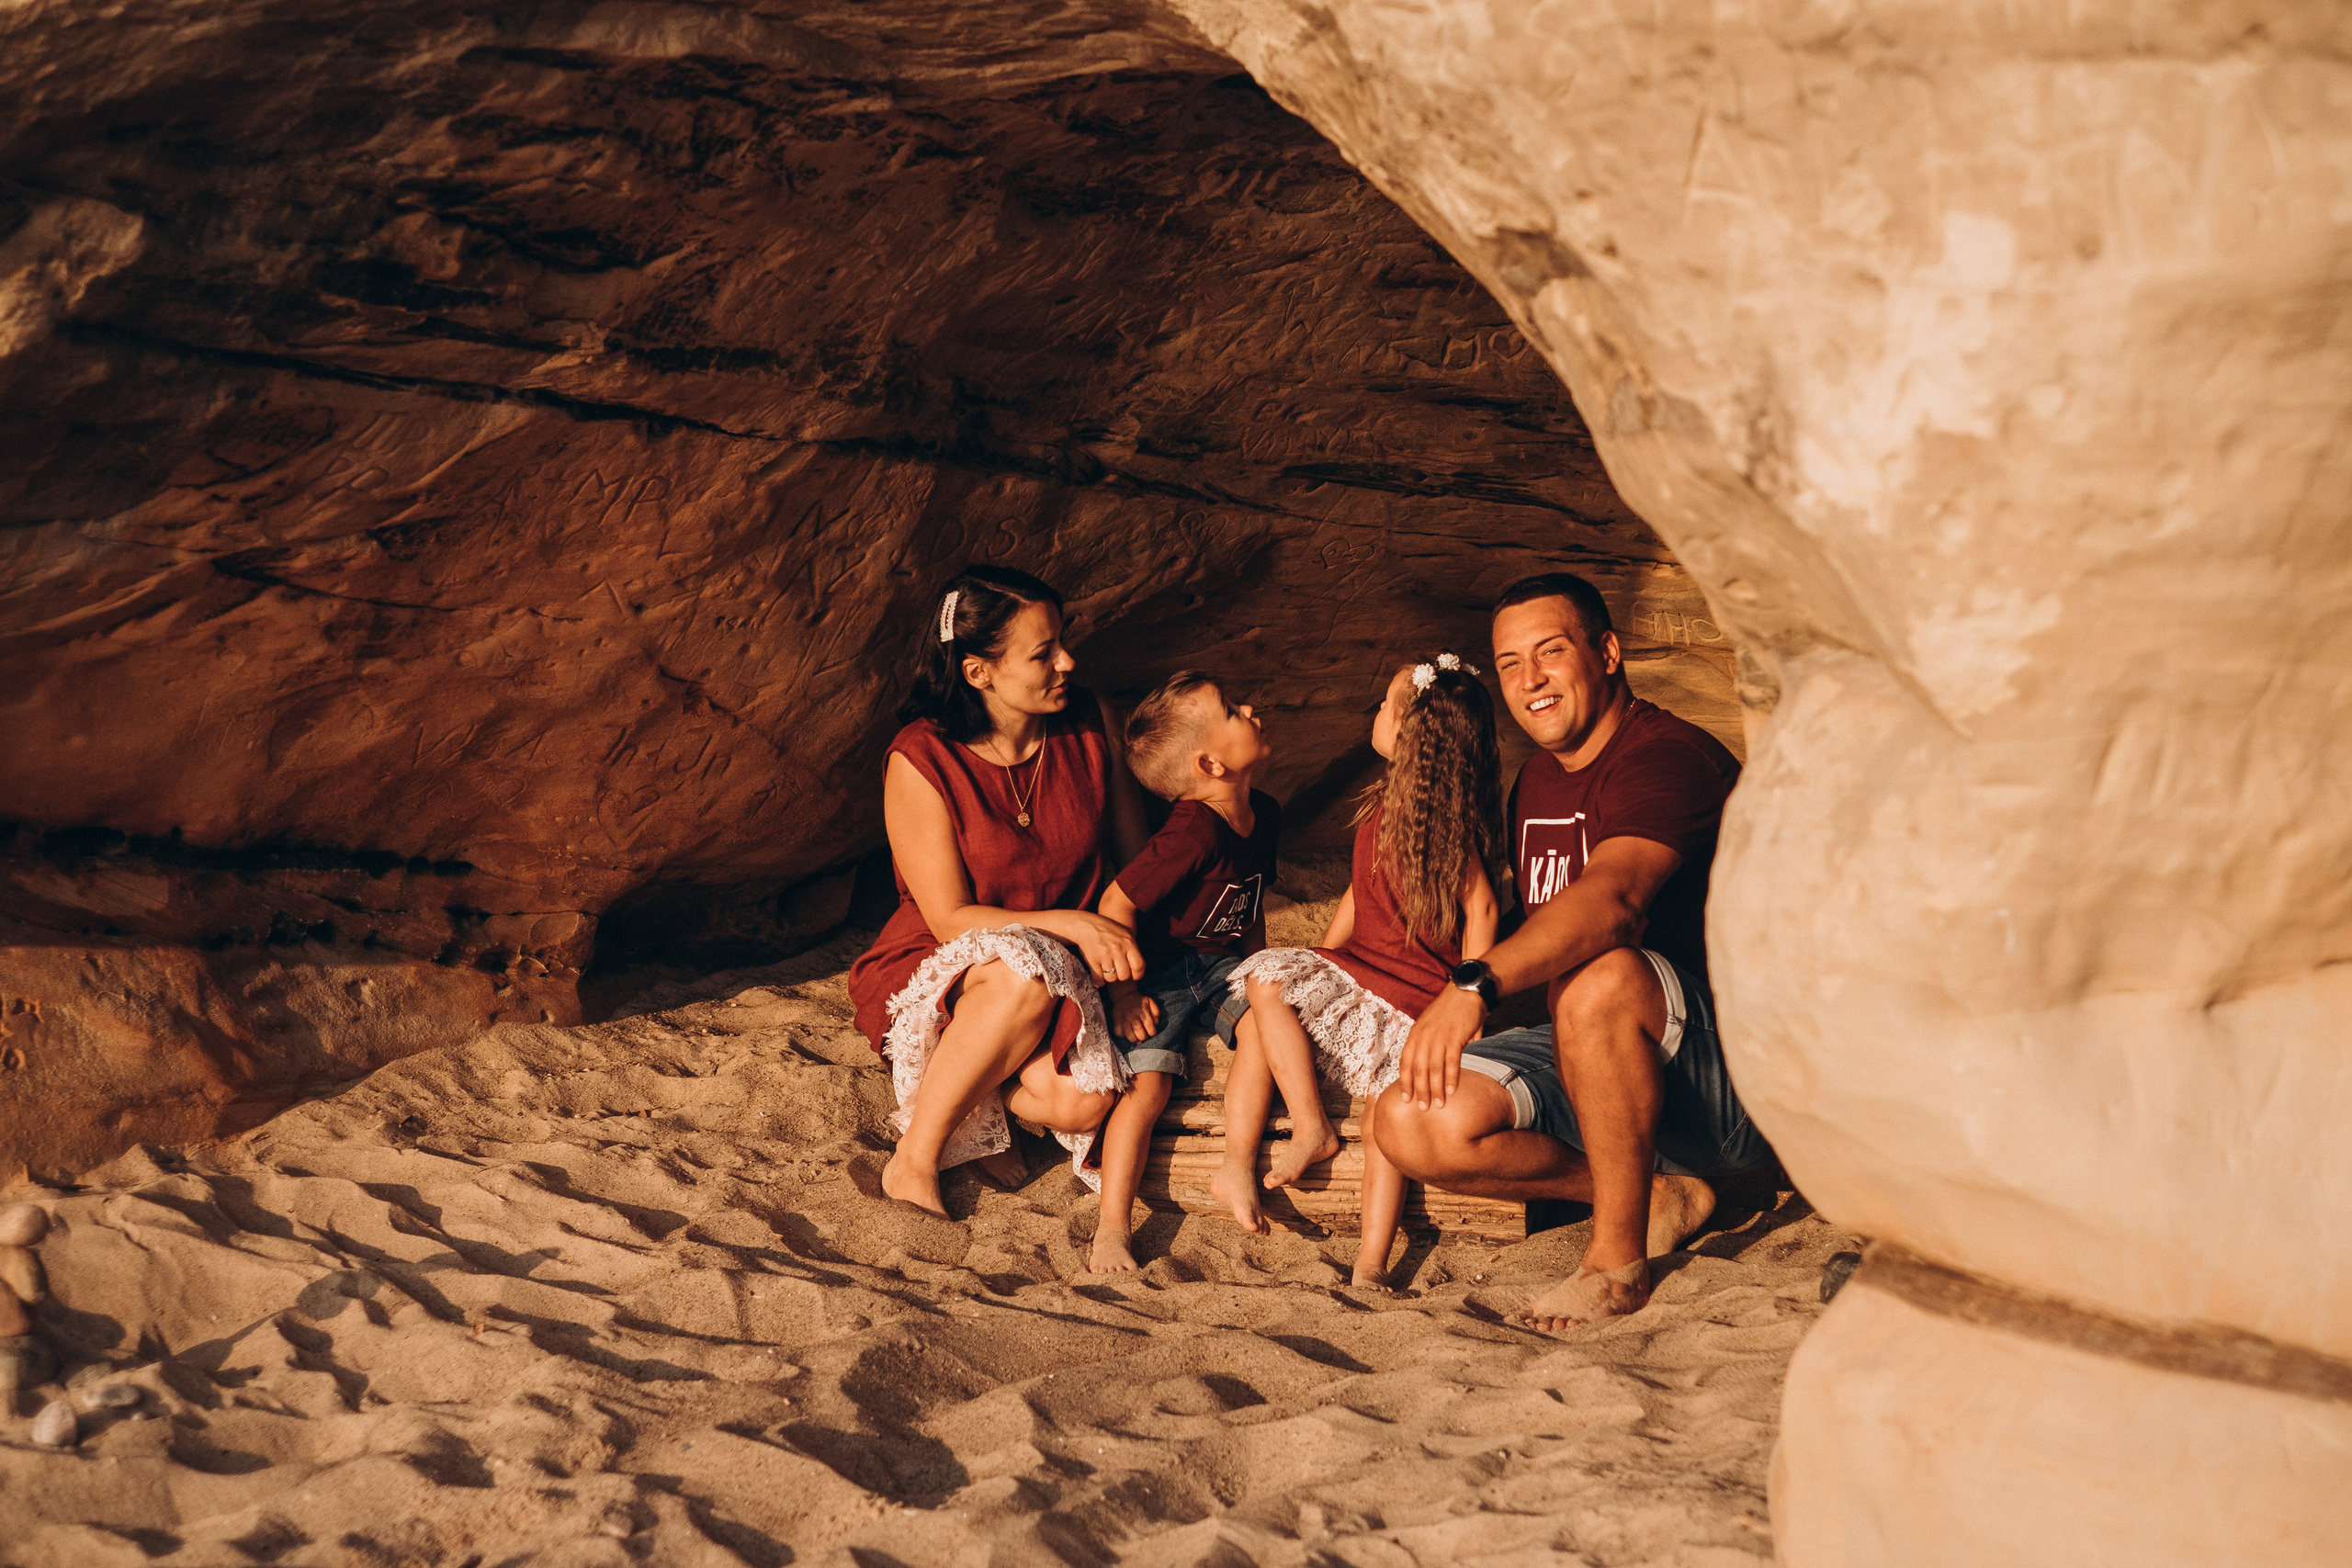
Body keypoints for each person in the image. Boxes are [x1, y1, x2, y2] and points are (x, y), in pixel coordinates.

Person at [1375, 572, 1770, 1329]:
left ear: (1609, 652)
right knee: (1410, 1117)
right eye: (1511, 663)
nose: (1531, 679)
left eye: (1551, 652)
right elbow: (1532, 923)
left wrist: (1473, 985)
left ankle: (1616, 1263)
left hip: (1729, 1079)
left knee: (1601, 974)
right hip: (1597, 1056)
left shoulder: (1669, 756)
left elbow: (1613, 903)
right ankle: (1658, 1194)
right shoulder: (1535, 782)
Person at [846, 565, 1150, 1218]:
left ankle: (974, 1089)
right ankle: (915, 1159)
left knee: (1083, 1103)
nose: (1067, 662)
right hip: (951, 959)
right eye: (1043, 653)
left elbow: (1136, 864)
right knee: (1022, 978)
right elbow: (949, 917)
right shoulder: (920, 759)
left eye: (1062, 641)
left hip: (1070, 966)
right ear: (978, 672)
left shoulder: (1091, 721)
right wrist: (1075, 923)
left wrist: (1127, 969)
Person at [1213, 654, 1502, 1291]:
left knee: (1380, 1124)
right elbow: (1357, 892)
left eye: (1384, 705)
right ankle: (1273, 1142)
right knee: (1268, 987)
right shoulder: (1382, 803)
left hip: (1417, 995)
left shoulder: (1445, 823)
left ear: (1409, 732)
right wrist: (1323, 960)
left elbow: (1483, 908)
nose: (1374, 713)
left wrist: (1471, 1004)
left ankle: (1370, 1263)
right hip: (1363, 969)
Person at [1087, 672, 1281, 1274]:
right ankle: (1112, 1228)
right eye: (1232, 709)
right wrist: (1124, 993)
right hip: (1162, 970)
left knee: (1265, 1028)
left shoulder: (1265, 814)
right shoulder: (1191, 831)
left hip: (1222, 965)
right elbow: (1116, 904)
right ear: (1210, 764)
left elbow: (1251, 904)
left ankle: (1235, 1166)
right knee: (1148, 1087)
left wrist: (1257, 969)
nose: (1250, 706)